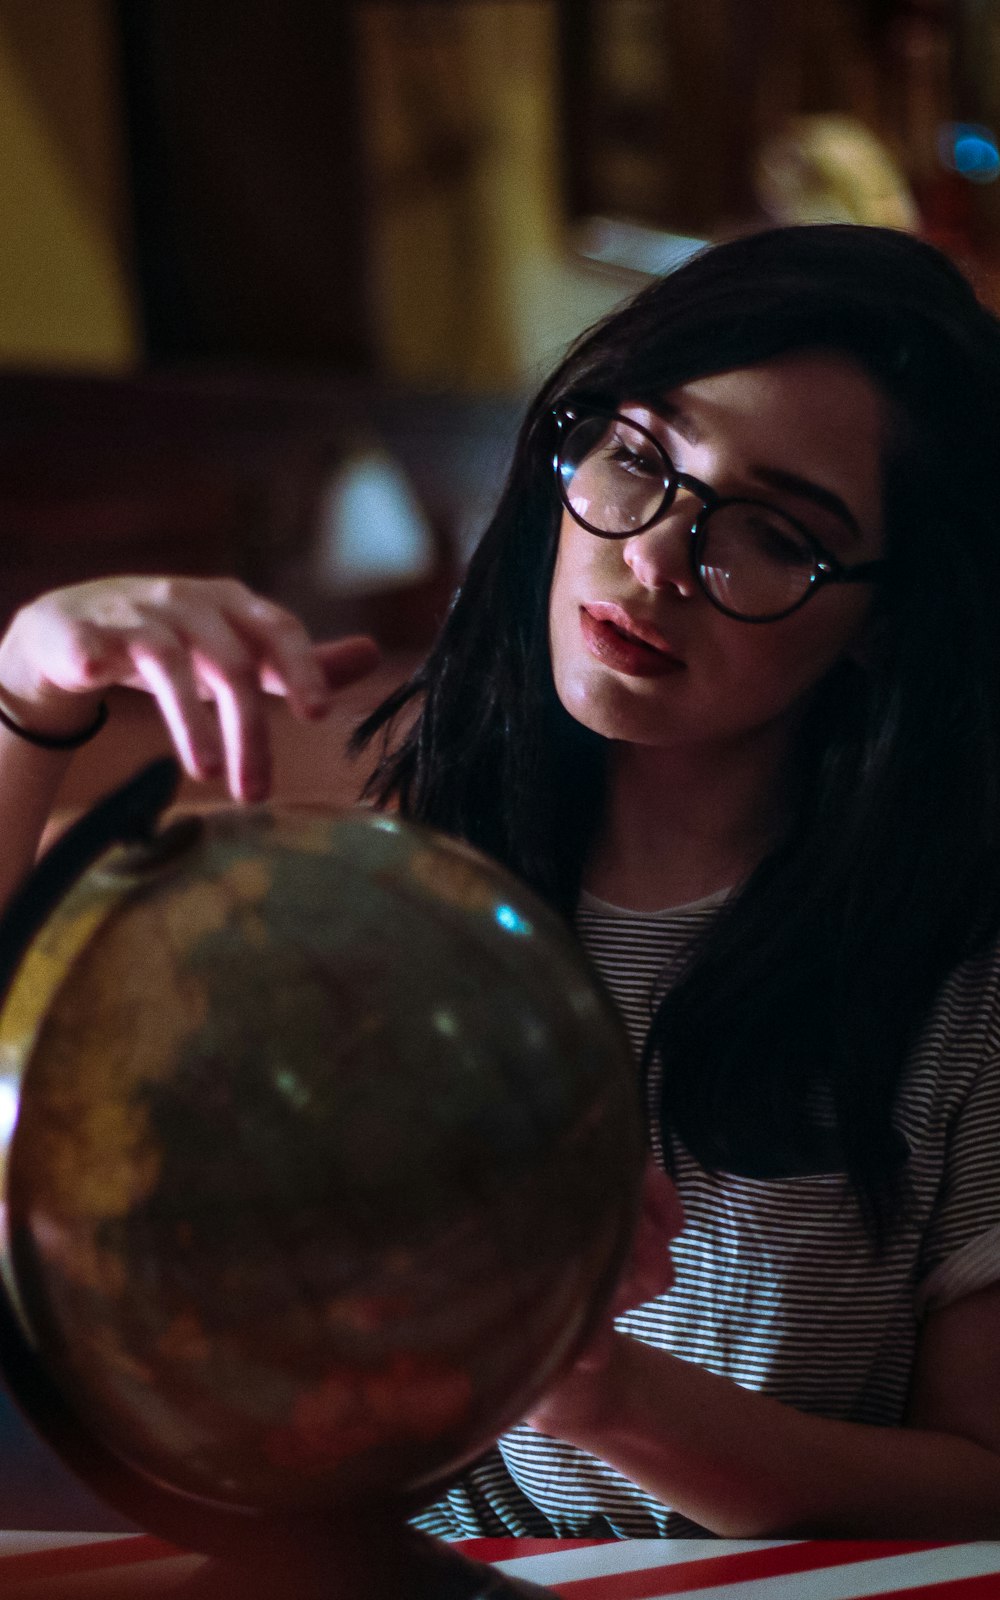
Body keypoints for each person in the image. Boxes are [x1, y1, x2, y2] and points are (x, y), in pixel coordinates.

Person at [0, 224, 998, 1540]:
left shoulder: (956, 979)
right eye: (638, 458)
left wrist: (595, 1391)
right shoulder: (374, 875)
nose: (652, 556)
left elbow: (984, 1480)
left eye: (769, 531)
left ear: (886, 620)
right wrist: (28, 697)